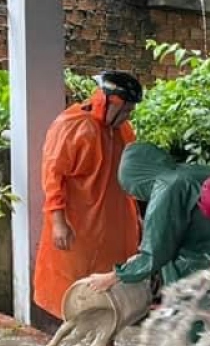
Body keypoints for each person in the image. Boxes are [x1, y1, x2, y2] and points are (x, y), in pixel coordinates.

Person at [32, 71, 142, 322]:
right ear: (107, 101)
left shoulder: (122, 129)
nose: (127, 117)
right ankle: (73, 329)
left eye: (129, 112)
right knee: (74, 282)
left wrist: (136, 215)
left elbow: (131, 172)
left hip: (114, 224)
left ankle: (106, 336)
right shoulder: (72, 125)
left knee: (110, 284)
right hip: (78, 224)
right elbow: (53, 175)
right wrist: (58, 221)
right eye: (124, 110)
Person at [81, 143, 210, 293]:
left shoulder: (168, 187)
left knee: (184, 298)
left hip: (207, 265)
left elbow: (156, 251)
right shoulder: (192, 171)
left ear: (138, 181)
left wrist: (114, 277)